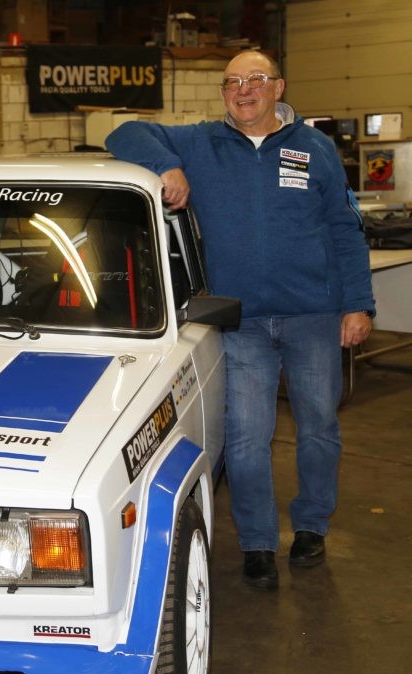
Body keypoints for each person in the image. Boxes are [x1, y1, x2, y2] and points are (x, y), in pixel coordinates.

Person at [106, 50, 374, 590]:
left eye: (255, 80)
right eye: (232, 82)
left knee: (318, 429)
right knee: (247, 438)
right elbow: (125, 132)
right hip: (243, 321)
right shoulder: (200, 142)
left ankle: (312, 525)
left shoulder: (316, 150)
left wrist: (358, 304)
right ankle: (256, 542)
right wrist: (168, 165)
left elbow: (346, 232)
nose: (243, 90)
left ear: (279, 86)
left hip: (314, 316)